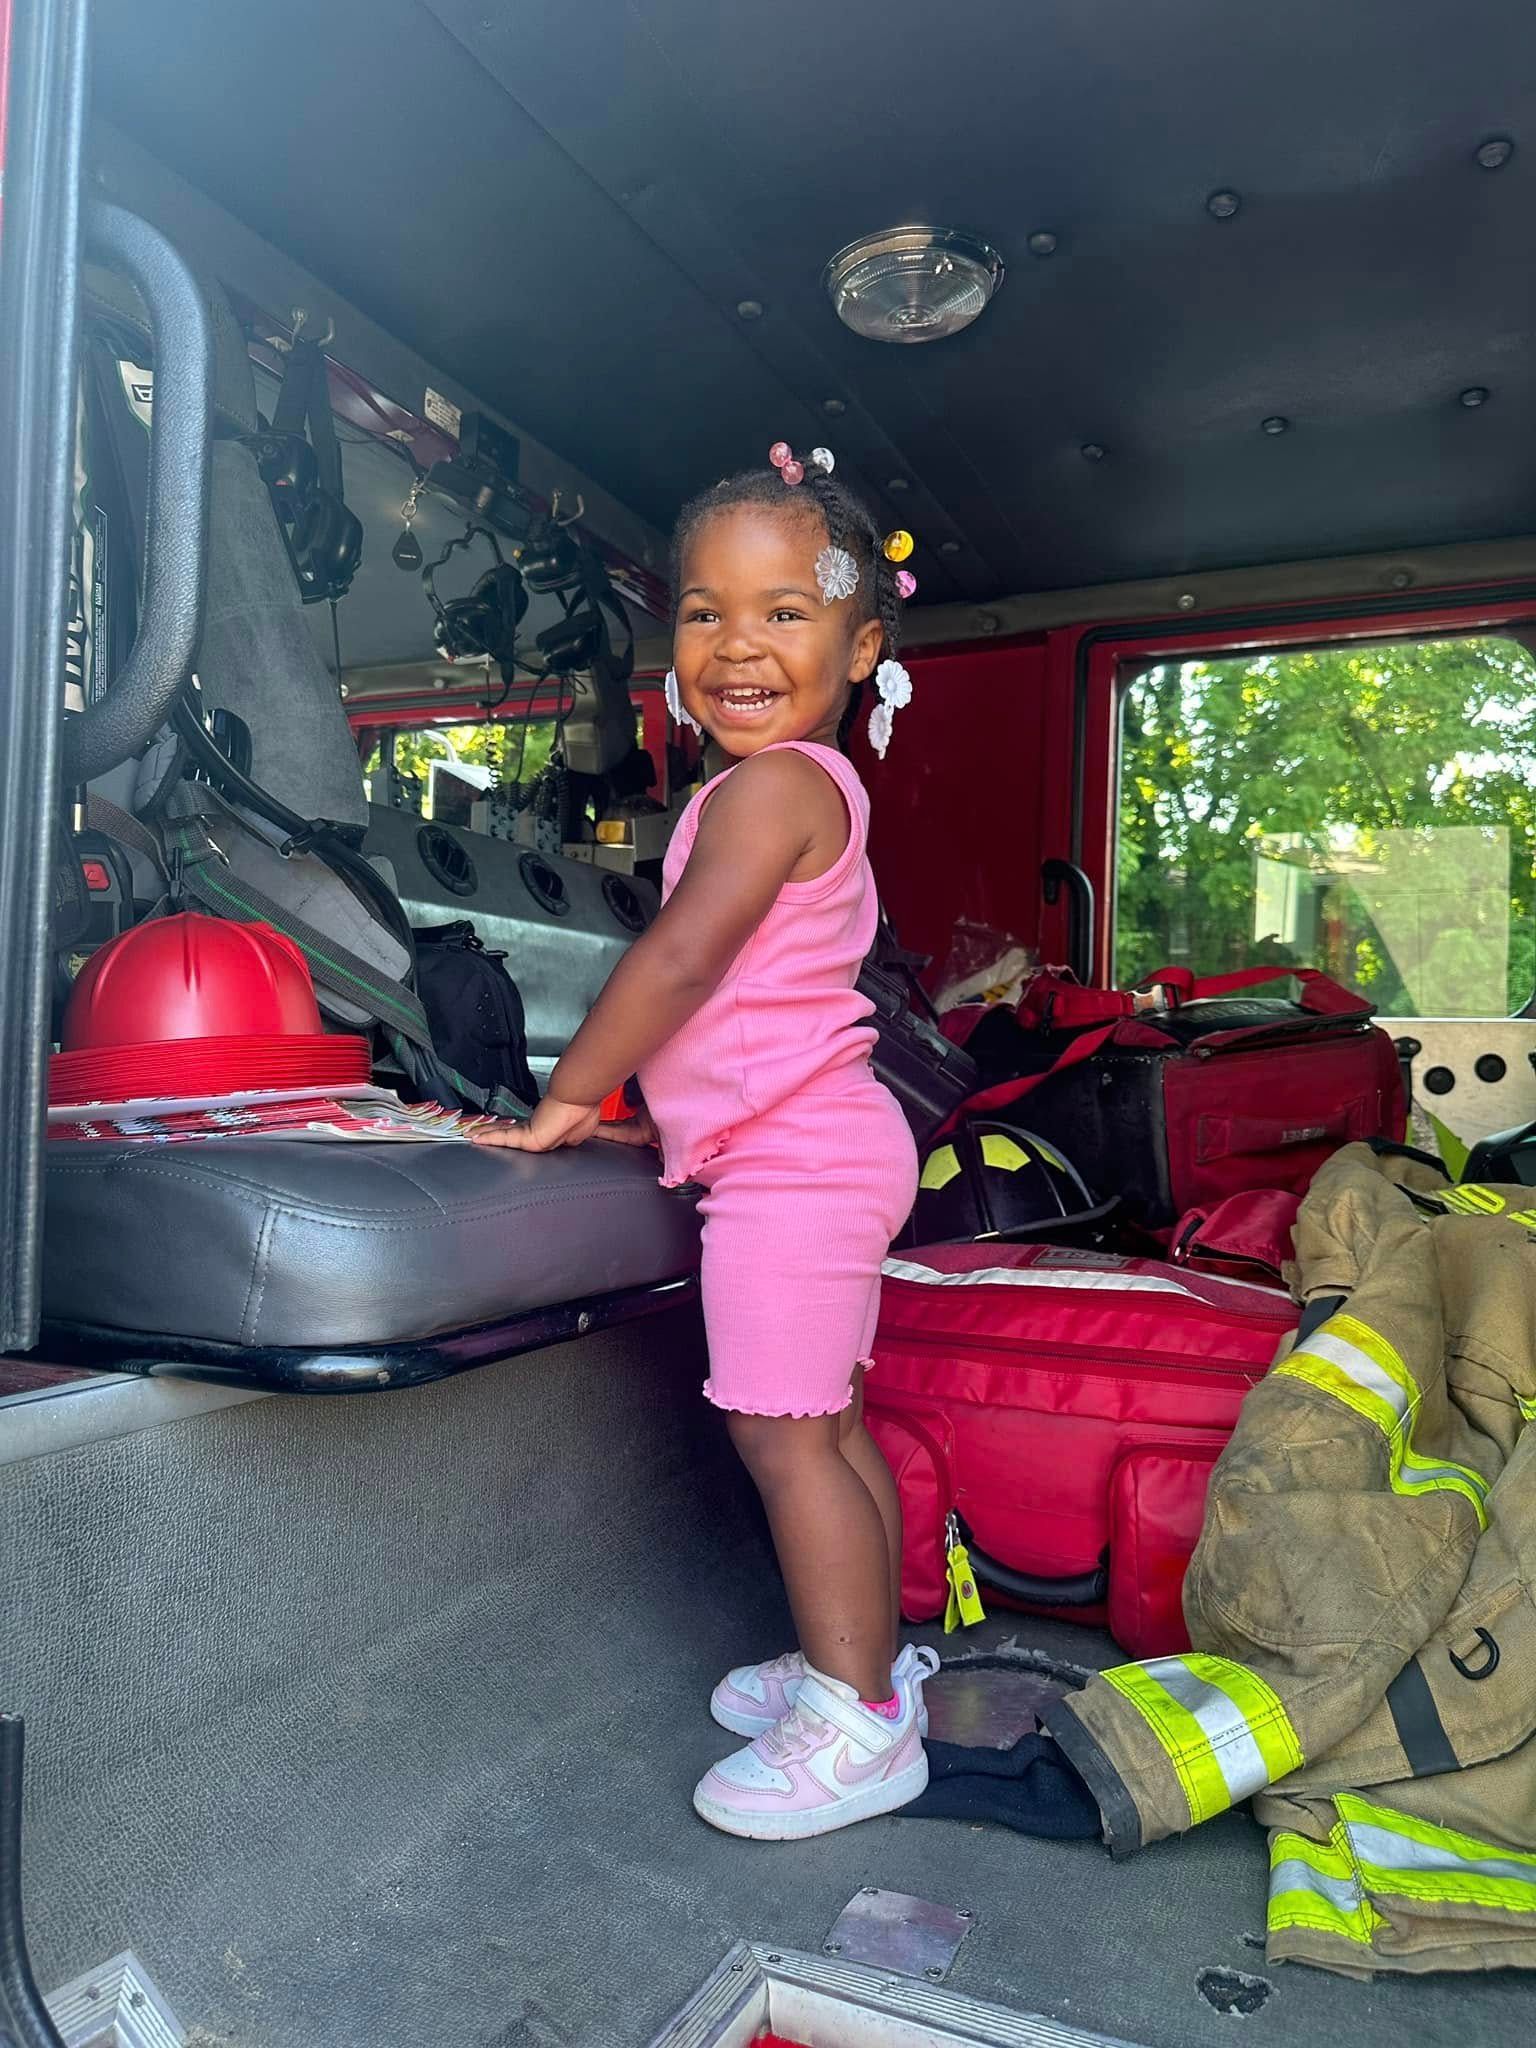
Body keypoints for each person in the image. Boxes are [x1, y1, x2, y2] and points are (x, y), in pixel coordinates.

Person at [472, 443, 937, 1839]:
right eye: (701, 611)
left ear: (862, 646)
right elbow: (736, 999)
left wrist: (568, 1093)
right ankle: (867, 1656)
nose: (737, 643)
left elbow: (680, 963)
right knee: (829, 1428)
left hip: (796, 1167)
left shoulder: (773, 790)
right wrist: (643, 1100)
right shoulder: (783, 790)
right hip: (822, 1146)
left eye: (785, 613)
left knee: (782, 1437)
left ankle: (858, 1723)